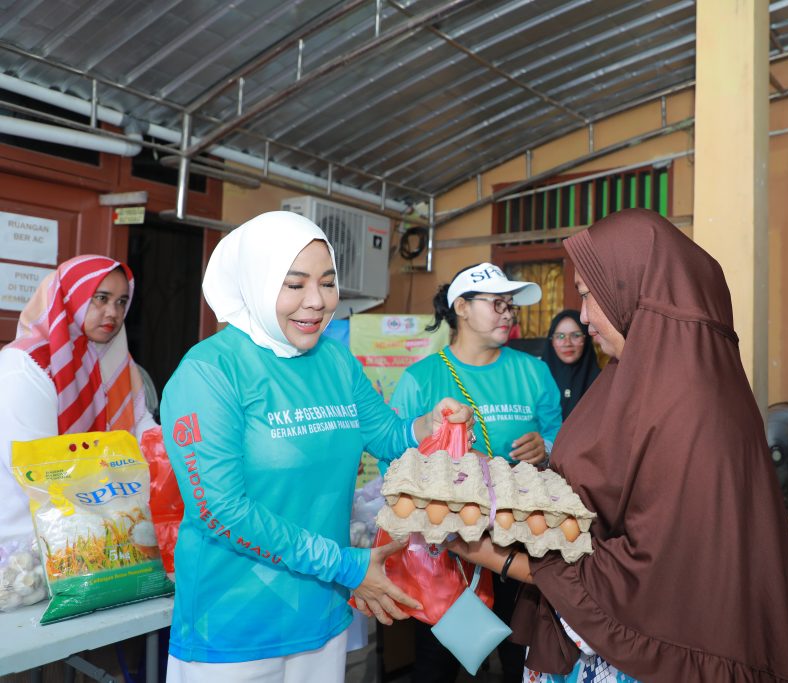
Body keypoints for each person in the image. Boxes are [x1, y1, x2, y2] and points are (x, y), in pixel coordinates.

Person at [449, 209, 788, 683]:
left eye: (588, 295)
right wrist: (498, 479)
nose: (584, 316)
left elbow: (650, 575)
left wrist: (499, 558)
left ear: (632, 290)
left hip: (644, 655)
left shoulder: (691, 404)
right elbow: (591, 490)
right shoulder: (627, 379)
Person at [159, 211, 473, 681]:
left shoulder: (335, 361)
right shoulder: (210, 372)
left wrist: (431, 424)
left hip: (323, 613)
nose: (317, 301)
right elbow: (219, 511)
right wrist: (344, 565)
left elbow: (389, 437)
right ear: (256, 282)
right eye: (295, 284)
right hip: (233, 627)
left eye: (327, 283)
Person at [389, 261, 562, 683]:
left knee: (522, 660)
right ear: (462, 308)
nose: (508, 313)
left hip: (520, 548)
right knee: (436, 665)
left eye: (511, 305)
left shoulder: (534, 372)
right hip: (447, 555)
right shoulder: (420, 378)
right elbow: (392, 462)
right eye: (497, 303)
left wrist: (546, 448)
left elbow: (561, 441)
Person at [0, 255, 156, 541]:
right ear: (70, 296)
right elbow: (37, 467)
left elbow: (143, 433)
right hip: (23, 539)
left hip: (92, 535)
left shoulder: (115, 361)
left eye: (121, 302)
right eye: (101, 298)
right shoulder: (26, 364)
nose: (113, 312)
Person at [541, 309, 601, 420]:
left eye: (576, 335)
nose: (567, 343)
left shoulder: (601, 381)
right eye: (560, 336)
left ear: (586, 340)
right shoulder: (537, 379)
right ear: (551, 341)